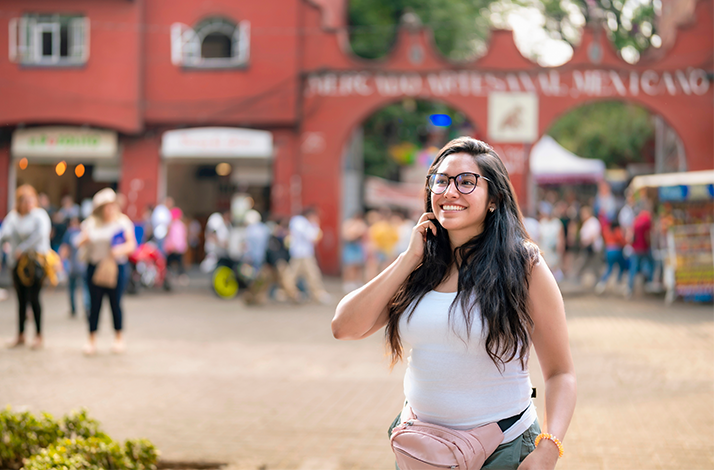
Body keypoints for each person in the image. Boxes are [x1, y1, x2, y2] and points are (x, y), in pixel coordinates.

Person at [332, 137, 576, 470]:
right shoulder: (419, 265)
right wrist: (408, 258)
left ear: (493, 199)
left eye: (466, 182)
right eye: (441, 180)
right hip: (422, 450)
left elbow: (561, 373)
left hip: (501, 450)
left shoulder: (524, 266)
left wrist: (549, 449)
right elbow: (344, 327)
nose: (449, 192)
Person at [77, 188, 137, 355]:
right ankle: (91, 339)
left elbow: (132, 245)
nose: (110, 209)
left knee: (115, 303)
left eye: (112, 205)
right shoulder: (91, 223)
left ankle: (119, 337)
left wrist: (117, 251)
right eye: (106, 206)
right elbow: (78, 242)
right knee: (94, 305)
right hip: (95, 266)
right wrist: (85, 239)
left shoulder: (122, 222)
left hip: (116, 267)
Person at [0, 185, 52, 349]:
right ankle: (20, 334)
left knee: (34, 298)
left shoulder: (39, 216)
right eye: (25, 200)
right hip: (16, 264)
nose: (28, 203)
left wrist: (22, 248)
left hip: (34, 264)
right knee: (21, 300)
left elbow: (40, 235)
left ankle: (38, 335)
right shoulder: (13, 217)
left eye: (31, 200)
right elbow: (4, 234)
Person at [289, 207, 331, 304]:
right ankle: (318, 294)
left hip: (301, 253)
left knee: (295, 275)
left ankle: (290, 292)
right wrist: (315, 225)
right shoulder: (301, 223)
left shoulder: (297, 222)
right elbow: (312, 237)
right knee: (311, 274)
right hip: (302, 254)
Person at [59, 216, 90, 318]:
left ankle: (73, 309)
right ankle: (87, 307)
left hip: (73, 266)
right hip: (84, 266)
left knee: (72, 288)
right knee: (85, 287)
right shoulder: (86, 231)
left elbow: (64, 248)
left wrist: (61, 261)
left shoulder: (70, 233)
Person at [626, 206, 653, 299]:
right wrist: (649, 244)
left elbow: (630, 235)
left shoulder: (635, 221)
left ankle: (629, 289)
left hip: (635, 249)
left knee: (633, 270)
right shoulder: (647, 222)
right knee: (649, 264)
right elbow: (647, 236)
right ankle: (647, 284)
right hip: (644, 248)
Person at [595, 219, 627, 295]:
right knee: (622, 266)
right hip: (616, 251)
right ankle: (618, 282)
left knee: (609, 268)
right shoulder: (618, 231)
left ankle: (601, 283)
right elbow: (622, 241)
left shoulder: (607, 230)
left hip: (608, 250)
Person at [341, 212, 368, 293]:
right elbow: (347, 235)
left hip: (358, 247)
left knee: (358, 266)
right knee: (349, 266)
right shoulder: (348, 224)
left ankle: (356, 281)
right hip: (350, 247)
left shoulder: (361, 224)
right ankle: (348, 283)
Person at [164, 207, 188, 285]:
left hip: (173, 247)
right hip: (177, 248)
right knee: (179, 262)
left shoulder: (173, 225)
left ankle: (170, 274)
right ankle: (179, 275)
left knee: (171, 263)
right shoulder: (181, 225)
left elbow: (172, 236)